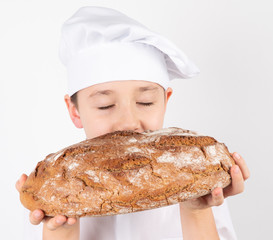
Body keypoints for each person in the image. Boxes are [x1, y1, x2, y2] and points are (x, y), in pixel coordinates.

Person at [15, 6, 250, 240]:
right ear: (74, 111)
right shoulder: (51, 195)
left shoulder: (199, 183)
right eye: (105, 106)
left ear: (165, 102)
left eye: (145, 102)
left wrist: (195, 210)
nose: (128, 122)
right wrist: (63, 230)